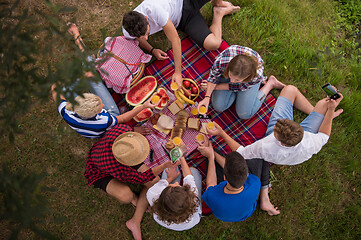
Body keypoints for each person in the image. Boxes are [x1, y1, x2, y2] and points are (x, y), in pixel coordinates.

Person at [51, 24, 153, 138]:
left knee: (83, 76)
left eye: (100, 102)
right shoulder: (104, 120)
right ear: (96, 115)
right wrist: (143, 106)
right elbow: (122, 119)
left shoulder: (66, 109)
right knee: (94, 78)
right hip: (103, 128)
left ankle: (77, 38)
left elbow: (55, 87)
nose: (103, 104)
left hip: (85, 112)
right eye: (101, 107)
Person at [84, 125, 179, 240]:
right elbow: (144, 178)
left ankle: (135, 220)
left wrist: (134, 130)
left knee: (155, 183)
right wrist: (164, 167)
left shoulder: (123, 129)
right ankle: (135, 200)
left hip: (116, 153)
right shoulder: (122, 170)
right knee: (126, 196)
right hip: (98, 172)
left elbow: (128, 127)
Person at [122, 0, 240, 89]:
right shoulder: (128, 30)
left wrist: (178, 72)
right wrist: (152, 50)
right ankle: (218, 13)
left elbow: (175, 40)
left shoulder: (155, 9)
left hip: (186, 2)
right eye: (143, 37)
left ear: (147, 19)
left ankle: (217, 2)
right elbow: (139, 40)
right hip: (185, 20)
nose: (147, 38)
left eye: (147, 33)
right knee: (214, 44)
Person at [228, 84, 344, 165]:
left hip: (280, 150)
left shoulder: (266, 146)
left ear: (281, 143)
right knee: (324, 104)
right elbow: (324, 135)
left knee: (289, 89)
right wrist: (330, 111)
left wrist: (220, 132)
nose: (274, 126)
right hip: (301, 142)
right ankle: (319, 115)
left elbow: (242, 153)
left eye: (275, 130)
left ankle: (318, 115)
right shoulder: (311, 143)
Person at [198, 135, 279, 222]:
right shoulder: (255, 183)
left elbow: (211, 183)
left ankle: (211, 154)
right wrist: (211, 153)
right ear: (247, 174)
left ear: (224, 177)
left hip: (224, 213)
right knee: (261, 158)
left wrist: (211, 156)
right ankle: (264, 197)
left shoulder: (213, 196)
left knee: (212, 160)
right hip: (246, 209)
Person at [198, 45, 285, 119]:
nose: (232, 81)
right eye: (230, 76)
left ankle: (270, 84)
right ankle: (239, 94)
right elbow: (213, 77)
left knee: (245, 114)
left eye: (237, 80)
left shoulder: (256, 76)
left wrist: (216, 87)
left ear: (247, 77)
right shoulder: (222, 61)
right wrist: (207, 97)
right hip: (235, 75)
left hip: (245, 84)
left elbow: (238, 86)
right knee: (218, 106)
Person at [146, 156, 202, 231]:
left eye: (172, 186)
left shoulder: (153, 193)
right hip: (189, 222)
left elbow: (163, 184)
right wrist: (181, 157)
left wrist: (170, 178)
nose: (176, 183)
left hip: (165, 220)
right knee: (193, 171)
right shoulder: (193, 199)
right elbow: (189, 177)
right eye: (178, 186)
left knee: (169, 169)